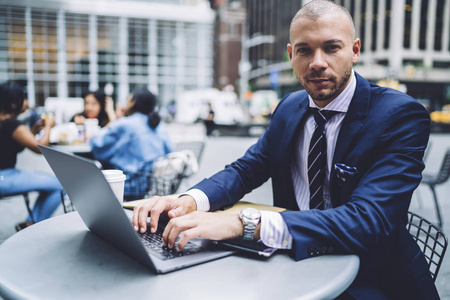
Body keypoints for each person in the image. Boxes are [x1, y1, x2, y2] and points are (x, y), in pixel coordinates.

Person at [132, 1, 438, 298]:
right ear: (291, 55)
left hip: (373, 279)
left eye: (331, 47)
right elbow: (247, 168)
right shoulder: (290, 107)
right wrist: (188, 201)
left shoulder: (399, 115)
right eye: (305, 50)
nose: (317, 62)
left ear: (355, 51)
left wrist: (242, 223)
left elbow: (368, 218)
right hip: (294, 264)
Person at [0, 82, 64, 231]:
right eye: (24, 98)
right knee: (61, 185)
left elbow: (15, 144)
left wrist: (33, 131)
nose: (27, 102)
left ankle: (30, 223)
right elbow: (41, 149)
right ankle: (33, 226)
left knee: (52, 185)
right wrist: (48, 126)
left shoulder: (4, 122)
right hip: (5, 177)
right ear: (15, 103)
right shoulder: (12, 124)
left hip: (5, 176)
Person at [90, 88, 173, 200]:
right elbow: (170, 153)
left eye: (127, 99)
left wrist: (114, 118)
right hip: (153, 185)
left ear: (133, 102)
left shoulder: (125, 124)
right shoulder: (158, 125)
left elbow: (96, 145)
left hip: (129, 183)